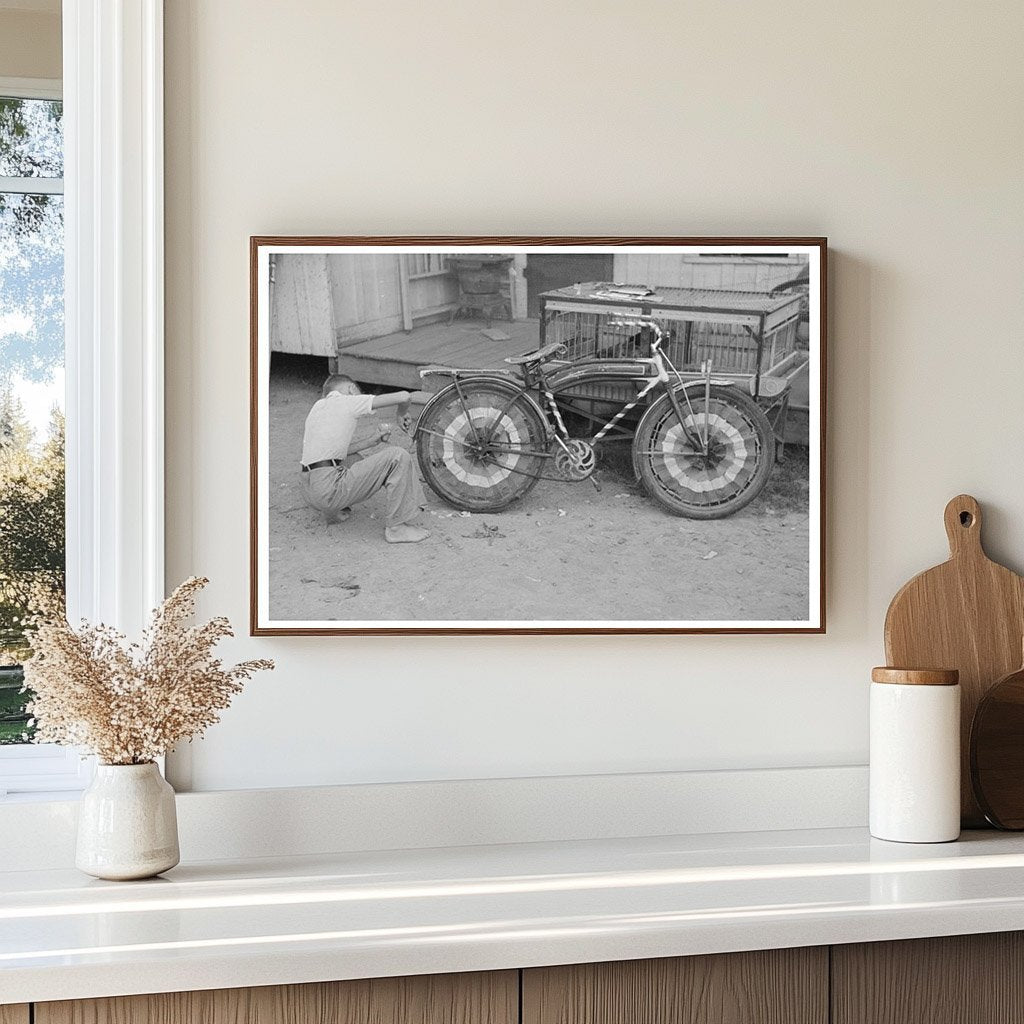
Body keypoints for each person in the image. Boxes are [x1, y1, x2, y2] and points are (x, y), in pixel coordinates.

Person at [300, 374, 429, 543]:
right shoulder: (347, 400)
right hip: (328, 490)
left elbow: (334, 453)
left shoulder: (317, 407)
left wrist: (370, 441)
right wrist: (401, 412)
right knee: (398, 456)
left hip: (309, 490)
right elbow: (404, 396)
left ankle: (332, 512)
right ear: (351, 389)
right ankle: (396, 528)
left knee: (344, 458)